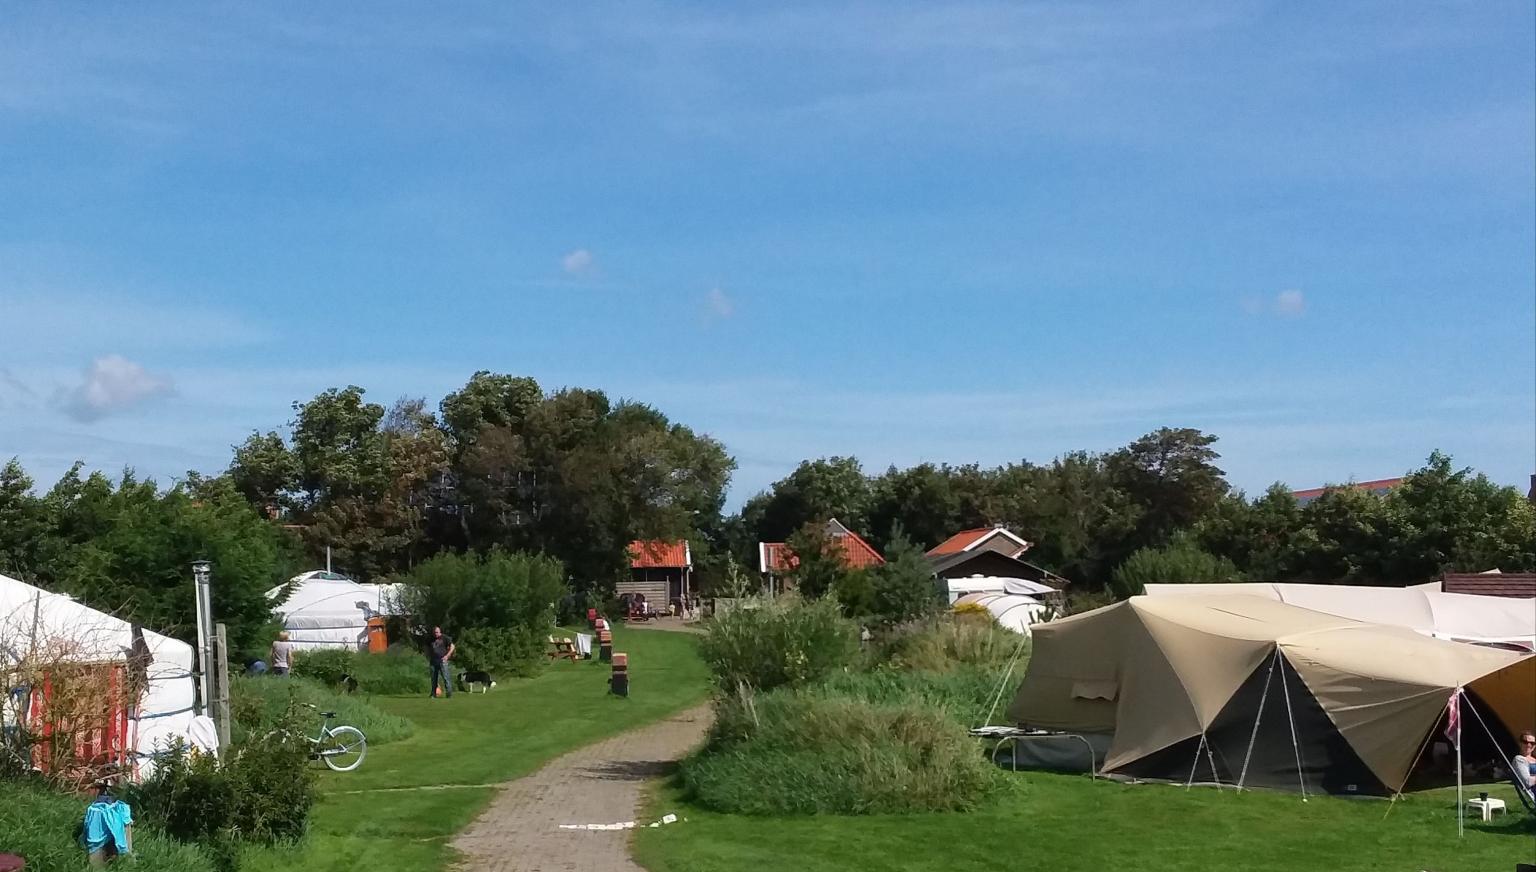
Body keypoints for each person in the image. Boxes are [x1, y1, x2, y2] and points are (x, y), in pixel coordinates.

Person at [82, 778, 132, 867]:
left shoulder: (94, 810)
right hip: (109, 811)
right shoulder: (100, 810)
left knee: (99, 862)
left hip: (106, 811)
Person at [427, 626, 455, 698]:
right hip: (433, 661)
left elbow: (452, 646)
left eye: (437, 632)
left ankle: (449, 694)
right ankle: (433, 694)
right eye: (434, 632)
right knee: (434, 679)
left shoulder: (445, 638)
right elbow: (426, 648)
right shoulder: (430, 639)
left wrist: (447, 656)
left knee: (446, 678)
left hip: (442, 661)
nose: (435, 634)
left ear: (440, 632)